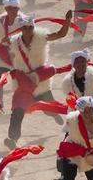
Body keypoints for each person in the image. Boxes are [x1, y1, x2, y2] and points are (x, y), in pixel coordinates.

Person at [4, 11, 71, 149]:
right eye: (25, 28)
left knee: (49, 109)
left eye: (30, 27)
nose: (28, 30)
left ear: (33, 27)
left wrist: (67, 20)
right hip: (23, 85)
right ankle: (13, 139)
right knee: (17, 112)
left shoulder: (42, 38)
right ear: (21, 28)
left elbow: (61, 34)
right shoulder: (14, 42)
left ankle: (53, 115)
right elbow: (9, 56)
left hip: (40, 82)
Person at [0, 0, 23, 101]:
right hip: (2, 55)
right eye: (10, 8)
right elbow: (0, 38)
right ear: (6, 9)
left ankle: (19, 105)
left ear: (18, 9)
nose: (13, 10)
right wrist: (9, 42)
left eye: (15, 8)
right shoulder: (0, 20)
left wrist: (11, 42)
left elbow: (27, 38)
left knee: (20, 83)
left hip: (19, 55)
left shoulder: (24, 21)